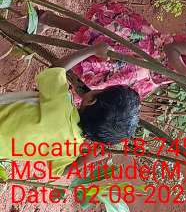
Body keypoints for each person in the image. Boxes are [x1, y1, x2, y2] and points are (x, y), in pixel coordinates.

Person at [38, 3, 186, 103]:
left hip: (147, 75)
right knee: (94, 38)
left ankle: (48, 30)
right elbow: (170, 48)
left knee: (95, 50)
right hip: (143, 55)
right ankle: (47, 21)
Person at [0, 44, 140, 177]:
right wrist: (84, 161)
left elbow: (55, 70)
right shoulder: (69, 149)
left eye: (101, 91)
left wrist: (91, 50)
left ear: (91, 100)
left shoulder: (61, 103)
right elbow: (60, 171)